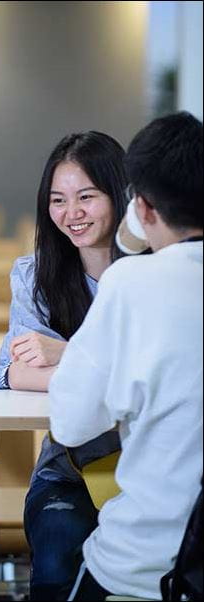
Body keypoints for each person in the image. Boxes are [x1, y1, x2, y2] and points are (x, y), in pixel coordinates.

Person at [50, 111, 203, 600]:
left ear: (142, 208)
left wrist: (129, 244)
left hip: (148, 567)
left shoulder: (132, 283)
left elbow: (71, 424)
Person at [0, 131, 129, 600]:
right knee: (57, 556)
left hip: (150, 462)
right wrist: (118, 369)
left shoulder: (153, 275)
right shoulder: (35, 274)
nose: (72, 214)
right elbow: (11, 374)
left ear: (121, 194)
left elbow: (167, 371)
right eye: (58, 200)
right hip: (69, 463)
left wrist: (66, 354)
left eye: (87, 196)